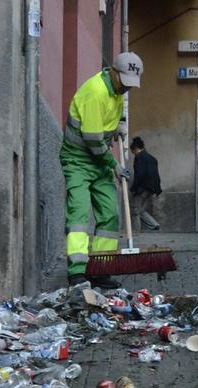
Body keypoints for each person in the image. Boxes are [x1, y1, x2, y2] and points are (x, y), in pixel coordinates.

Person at [60, 52, 142, 289]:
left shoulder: (117, 91)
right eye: (124, 81)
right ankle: (76, 272)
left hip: (99, 160)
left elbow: (112, 116)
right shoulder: (96, 91)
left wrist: (120, 124)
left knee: (110, 213)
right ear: (113, 72)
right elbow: (93, 139)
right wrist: (114, 165)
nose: (127, 88)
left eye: (131, 84)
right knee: (79, 215)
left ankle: (100, 269)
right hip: (78, 159)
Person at [128, 136, 161, 231]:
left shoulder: (139, 158)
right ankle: (154, 225)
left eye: (132, 152)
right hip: (151, 188)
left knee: (135, 210)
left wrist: (134, 188)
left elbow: (139, 175)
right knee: (140, 209)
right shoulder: (152, 158)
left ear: (135, 149)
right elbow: (156, 176)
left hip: (142, 188)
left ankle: (135, 232)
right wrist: (157, 189)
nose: (133, 154)